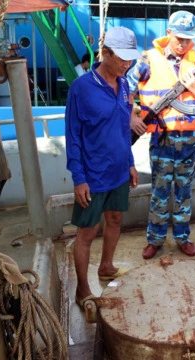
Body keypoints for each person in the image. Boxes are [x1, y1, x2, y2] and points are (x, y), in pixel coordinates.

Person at [127, 10, 195, 260]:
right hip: (162, 140)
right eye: (179, 38)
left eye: (188, 39)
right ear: (168, 34)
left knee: (184, 191)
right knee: (159, 191)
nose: (183, 44)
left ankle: (182, 237)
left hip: (189, 142)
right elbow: (125, 89)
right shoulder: (147, 60)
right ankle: (155, 239)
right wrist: (132, 117)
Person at [65, 27, 141, 308]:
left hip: (119, 172)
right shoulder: (81, 89)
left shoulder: (124, 85)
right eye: (122, 58)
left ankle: (106, 266)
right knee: (86, 232)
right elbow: (72, 136)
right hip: (93, 176)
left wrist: (131, 163)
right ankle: (83, 289)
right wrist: (78, 178)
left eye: (131, 59)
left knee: (116, 220)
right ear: (105, 53)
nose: (128, 64)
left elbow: (123, 128)